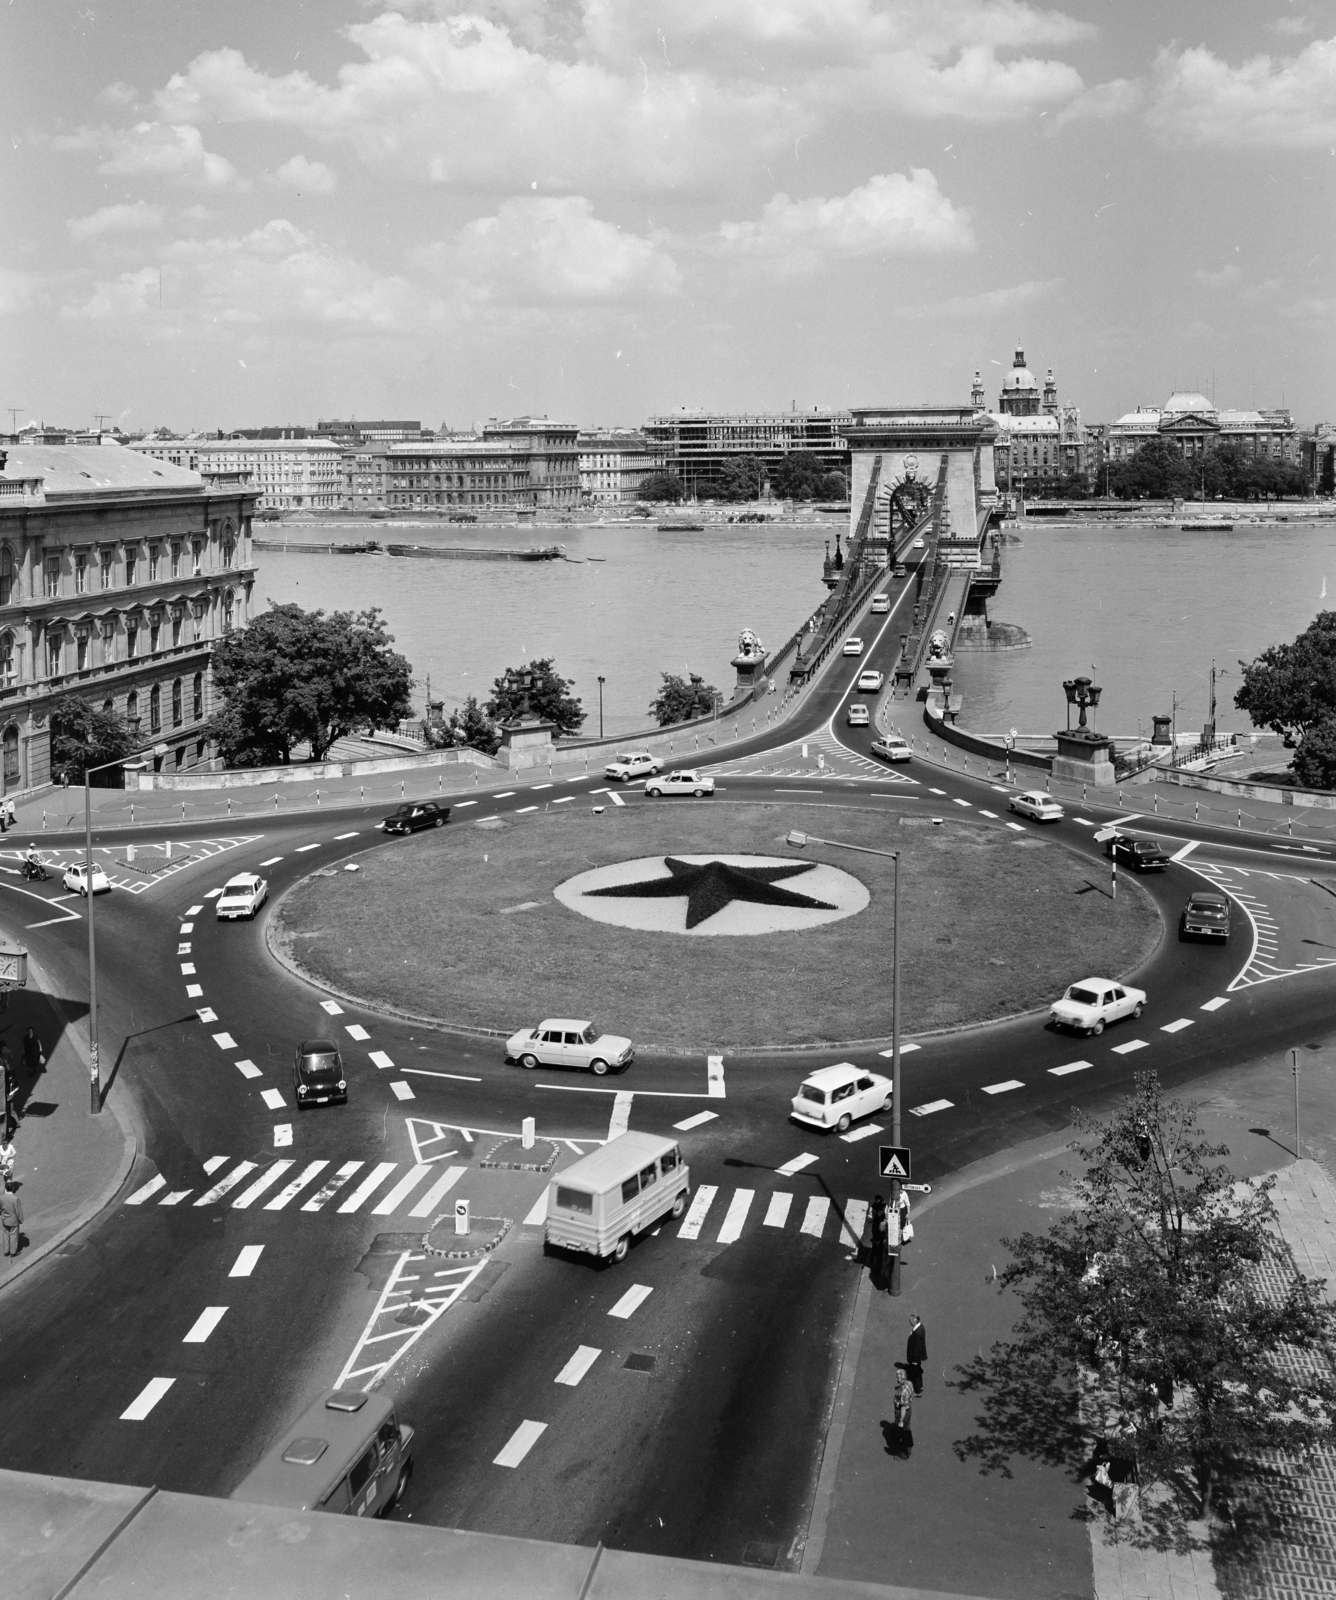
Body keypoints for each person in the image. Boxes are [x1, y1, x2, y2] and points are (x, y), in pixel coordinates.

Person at [867, 1195, 888, 1288]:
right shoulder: (885, 1206)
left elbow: (869, 1219)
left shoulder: (872, 1207)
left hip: (877, 1228)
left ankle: (875, 1269)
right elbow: (887, 1217)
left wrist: (874, 1215)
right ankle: (879, 1269)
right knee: (880, 1249)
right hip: (881, 1228)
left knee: (875, 1249)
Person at [893, 1366, 914, 1454]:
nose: (897, 1379)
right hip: (908, 1410)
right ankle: (908, 1447)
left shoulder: (903, 1393)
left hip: (903, 1413)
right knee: (907, 1428)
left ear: (903, 1378)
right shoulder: (909, 1383)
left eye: (898, 1378)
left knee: (902, 1433)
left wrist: (901, 1420)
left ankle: (903, 1453)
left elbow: (903, 1408)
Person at [1, 1176, 22, 1258]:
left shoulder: (1, 1198)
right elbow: (18, 1211)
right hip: (13, 1220)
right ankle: (13, 1252)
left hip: (4, 1219)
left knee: (6, 1235)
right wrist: (20, 1220)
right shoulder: (15, 1199)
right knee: (13, 1235)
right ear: (12, 1188)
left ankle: (6, 1251)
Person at [907, 1313, 927, 1395]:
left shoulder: (917, 1332)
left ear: (915, 1321)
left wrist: (914, 1360)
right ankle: (920, 1386)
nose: (909, 1322)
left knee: (915, 1373)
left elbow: (917, 1348)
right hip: (917, 1357)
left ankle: (917, 1391)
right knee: (917, 1371)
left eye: (911, 1320)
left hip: (915, 1358)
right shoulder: (920, 1327)